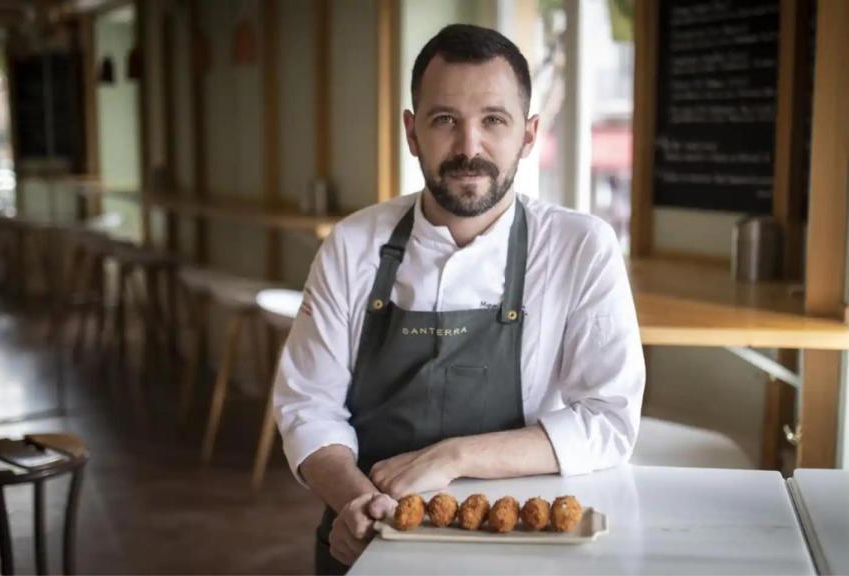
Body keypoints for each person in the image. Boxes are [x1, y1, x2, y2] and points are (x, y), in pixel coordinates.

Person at [272, 23, 645, 574]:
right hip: (365, 534)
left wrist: (453, 458)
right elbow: (307, 407)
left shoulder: (580, 247)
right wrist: (356, 502)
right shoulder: (354, 245)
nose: (469, 148)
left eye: (494, 120)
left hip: (517, 538)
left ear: (528, 134)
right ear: (412, 132)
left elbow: (609, 419)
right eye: (445, 120)